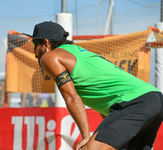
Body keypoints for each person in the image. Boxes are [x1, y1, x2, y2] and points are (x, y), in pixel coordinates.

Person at [22, 21, 163, 150]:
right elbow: (106, 102)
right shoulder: (78, 52)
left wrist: (85, 137)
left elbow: (71, 97)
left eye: (35, 44)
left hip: (135, 103)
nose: (34, 50)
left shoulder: (49, 57)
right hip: (154, 98)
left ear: (46, 43)